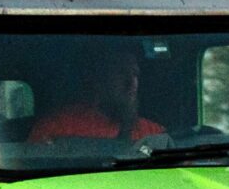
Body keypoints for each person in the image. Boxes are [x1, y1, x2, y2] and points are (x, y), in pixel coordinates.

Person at [27, 44, 167, 144]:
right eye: (121, 73)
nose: (132, 83)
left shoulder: (153, 133)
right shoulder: (57, 128)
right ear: (98, 78)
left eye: (135, 74)